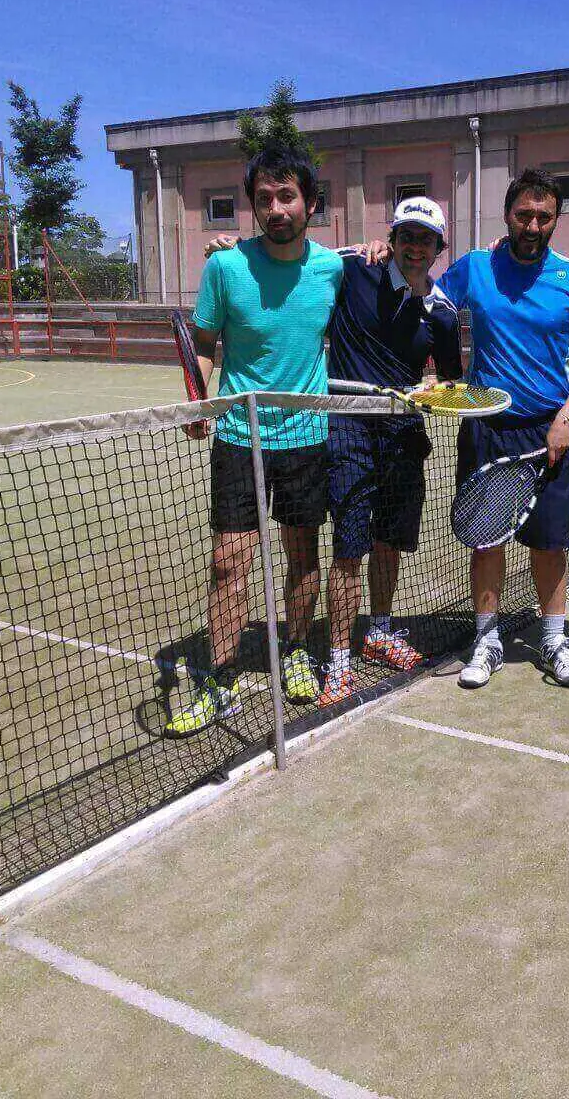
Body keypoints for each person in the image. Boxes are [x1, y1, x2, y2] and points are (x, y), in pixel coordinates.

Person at [167, 147, 343, 735]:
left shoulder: (333, 269)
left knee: (301, 556)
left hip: (306, 435)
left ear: (310, 204)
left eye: (287, 196)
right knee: (227, 562)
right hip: (240, 436)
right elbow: (204, 341)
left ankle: (295, 650)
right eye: (264, 199)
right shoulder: (224, 268)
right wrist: (201, 398)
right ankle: (219, 678)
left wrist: (374, 251)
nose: (276, 209)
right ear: (252, 206)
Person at [438, 168, 569, 690]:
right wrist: (374, 254)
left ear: (556, 220)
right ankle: (487, 640)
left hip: (552, 434)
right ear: (507, 216)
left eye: (543, 217)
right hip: (488, 429)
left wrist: (566, 420)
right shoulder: (474, 268)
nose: (532, 225)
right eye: (523, 215)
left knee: (550, 543)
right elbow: (425, 302)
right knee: (486, 540)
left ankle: (554, 638)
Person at [324, 197, 462, 693]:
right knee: (349, 545)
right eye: (406, 235)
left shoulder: (443, 314)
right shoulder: (354, 267)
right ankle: (338, 658)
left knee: (389, 542)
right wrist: (235, 249)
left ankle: (378, 631)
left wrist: (435, 390)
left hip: (404, 435)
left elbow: (450, 380)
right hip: (347, 429)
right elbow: (291, 259)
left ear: (439, 248)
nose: (414, 246)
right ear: (393, 237)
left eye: (425, 239)